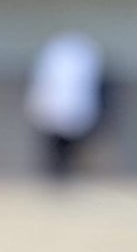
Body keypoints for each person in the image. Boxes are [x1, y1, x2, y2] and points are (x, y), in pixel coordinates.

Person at [26, 32, 105, 182]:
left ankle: (67, 171)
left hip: (75, 109)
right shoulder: (54, 61)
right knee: (54, 144)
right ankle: (55, 172)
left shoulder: (82, 61)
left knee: (72, 144)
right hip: (55, 109)